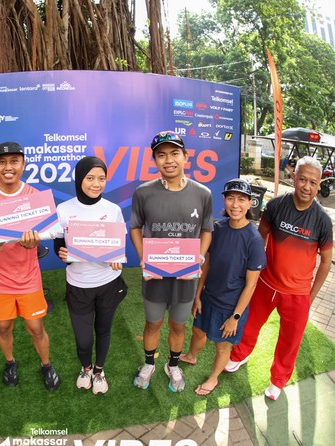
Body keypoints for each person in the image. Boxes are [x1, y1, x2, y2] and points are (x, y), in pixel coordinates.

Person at [224, 156, 333, 400]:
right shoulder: (275, 205)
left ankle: (278, 380)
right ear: (294, 178)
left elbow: (326, 262)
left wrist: (310, 296)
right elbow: (260, 238)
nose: (306, 186)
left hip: (298, 295)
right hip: (266, 283)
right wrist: (254, 271)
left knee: (289, 342)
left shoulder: (323, 221)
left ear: (319, 186)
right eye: (302, 179)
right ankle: (240, 355)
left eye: (313, 183)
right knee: (249, 325)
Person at [0, 141, 60, 391]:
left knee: (36, 327)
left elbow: (49, 231)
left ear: (23, 164)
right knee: (3, 326)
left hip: (27, 277)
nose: (8, 167)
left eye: (14, 161)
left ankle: (46, 364)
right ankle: (10, 362)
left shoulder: (34, 196)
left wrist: (33, 241)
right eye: (2, 162)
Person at [130, 131, 213, 392]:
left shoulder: (203, 193)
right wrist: (143, 256)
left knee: (178, 325)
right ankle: (149, 364)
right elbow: (135, 227)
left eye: (175, 153)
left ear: (186, 156)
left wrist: (199, 256)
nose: (169, 160)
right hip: (154, 275)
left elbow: (207, 230)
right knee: (153, 323)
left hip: (185, 277)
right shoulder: (143, 193)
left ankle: (173, 365)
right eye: (161, 155)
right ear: (154, 160)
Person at [179, 179, 266, 395]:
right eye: (230, 198)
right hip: (208, 297)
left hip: (230, 306)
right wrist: (198, 295)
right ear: (224, 201)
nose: (235, 205)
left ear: (249, 203)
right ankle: (191, 356)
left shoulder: (254, 240)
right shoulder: (217, 228)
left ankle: (213, 379)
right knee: (197, 331)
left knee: (222, 346)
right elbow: (208, 262)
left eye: (241, 200)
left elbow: (251, 285)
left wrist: (235, 317)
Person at [54, 156, 128, 394]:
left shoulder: (113, 210)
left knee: (103, 330)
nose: (96, 184)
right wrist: (64, 254)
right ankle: (85, 368)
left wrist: (118, 259)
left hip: (108, 283)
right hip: (78, 285)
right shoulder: (64, 210)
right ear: (79, 179)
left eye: (101, 178)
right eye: (90, 178)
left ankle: (98, 371)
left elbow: (119, 246)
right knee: (84, 339)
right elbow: (59, 245)